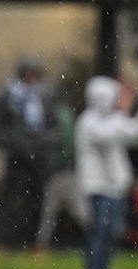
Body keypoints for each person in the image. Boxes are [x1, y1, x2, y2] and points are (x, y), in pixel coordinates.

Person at [76, 77, 138, 269]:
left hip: (114, 188)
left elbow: (136, 134)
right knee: (101, 231)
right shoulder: (89, 121)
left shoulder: (112, 120)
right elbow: (109, 135)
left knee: (113, 232)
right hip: (98, 187)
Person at [0, 57, 56, 250]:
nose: (30, 78)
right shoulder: (9, 95)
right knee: (10, 198)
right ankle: (2, 240)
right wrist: (15, 143)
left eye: (34, 75)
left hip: (38, 156)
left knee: (37, 199)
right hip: (17, 154)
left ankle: (34, 242)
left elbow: (55, 128)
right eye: (27, 74)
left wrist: (40, 144)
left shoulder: (45, 96)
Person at [34, 97, 85, 252]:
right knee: (75, 211)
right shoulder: (66, 115)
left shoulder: (59, 117)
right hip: (66, 171)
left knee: (52, 212)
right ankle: (101, 238)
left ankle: (40, 246)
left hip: (61, 172)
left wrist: (55, 163)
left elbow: (65, 146)